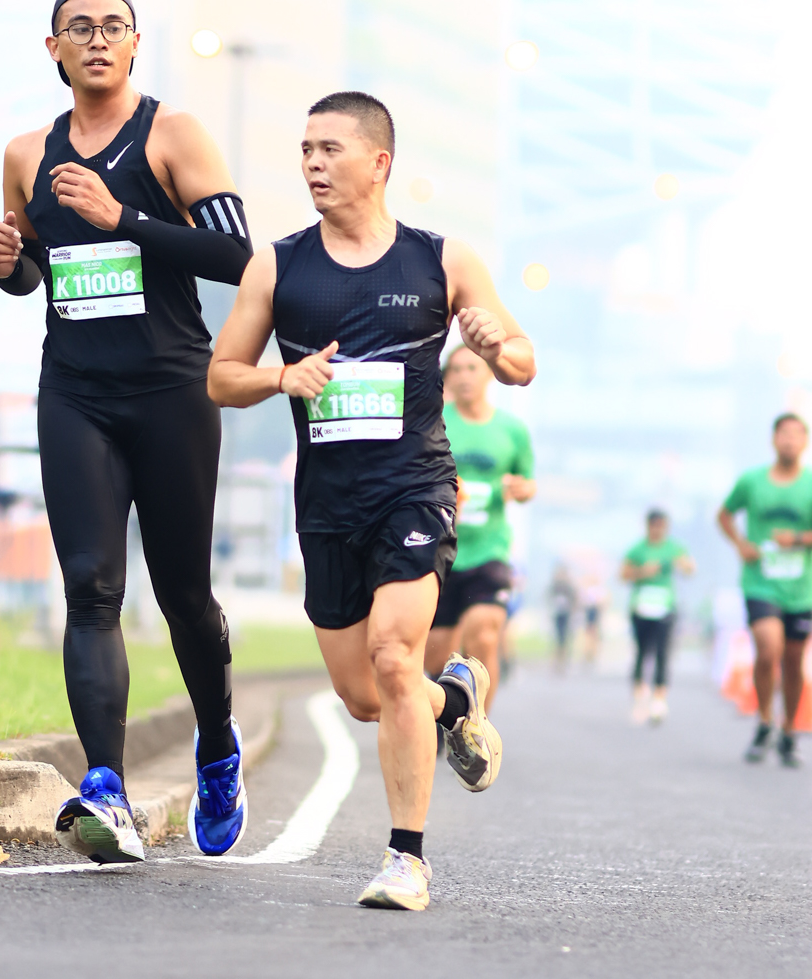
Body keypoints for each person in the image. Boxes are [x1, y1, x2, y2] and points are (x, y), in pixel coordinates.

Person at [207, 91, 536, 912]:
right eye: (306, 150)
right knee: (364, 697)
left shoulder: (441, 261)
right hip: (327, 505)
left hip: (414, 489)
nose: (313, 165)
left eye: (330, 150)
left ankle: (406, 860)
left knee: (394, 656)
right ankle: (455, 697)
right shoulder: (278, 267)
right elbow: (221, 377)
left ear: (379, 162)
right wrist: (282, 376)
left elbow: (523, 361)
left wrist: (496, 347)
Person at [0, 0, 254, 862]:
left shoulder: (173, 135)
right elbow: (37, 271)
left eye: (113, 26)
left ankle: (218, 745)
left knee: (183, 599)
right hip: (76, 394)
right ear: (53, 49)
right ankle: (106, 786)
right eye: (80, 28)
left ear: (136, 44)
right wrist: (10, 266)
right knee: (91, 586)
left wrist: (123, 215)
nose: (97, 39)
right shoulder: (27, 154)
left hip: (172, 393)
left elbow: (237, 256)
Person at [425, 344, 535, 711]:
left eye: (472, 368)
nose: (463, 377)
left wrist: (522, 489)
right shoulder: (433, 422)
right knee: (435, 659)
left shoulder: (512, 429)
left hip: (490, 550)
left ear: (489, 372)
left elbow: (528, 482)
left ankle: (478, 725)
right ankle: (445, 718)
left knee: (484, 636)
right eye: (455, 370)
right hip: (440, 550)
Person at [718, 412, 812, 768]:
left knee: (793, 661)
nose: (789, 440)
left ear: (804, 442)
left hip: (801, 589)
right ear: (774, 439)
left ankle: (788, 731)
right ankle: (764, 721)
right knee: (768, 648)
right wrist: (740, 544)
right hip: (760, 582)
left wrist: (798, 539)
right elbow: (724, 515)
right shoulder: (752, 481)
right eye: (783, 434)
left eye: (796, 434)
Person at [620, 510, 695, 724]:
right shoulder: (637, 549)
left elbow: (690, 569)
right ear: (648, 526)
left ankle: (659, 698)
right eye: (654, 525)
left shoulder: (674, 548)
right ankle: (639, 696)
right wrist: (643, 572)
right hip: (641, 606)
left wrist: (683, 565)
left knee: (663, 653)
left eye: (661, 526)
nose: (657, 530)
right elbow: (623, 575)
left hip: (664, 607)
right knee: (642, 652)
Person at [547, 562, 579, 673]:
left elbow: (574, 599)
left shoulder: (569, 586)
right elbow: (549, 597)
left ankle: (564, 660)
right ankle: (557, 660)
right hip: (557, 613)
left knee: (564, 638)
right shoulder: (555, 585)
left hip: (566, 614)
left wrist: (573, 610)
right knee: (558, 637)